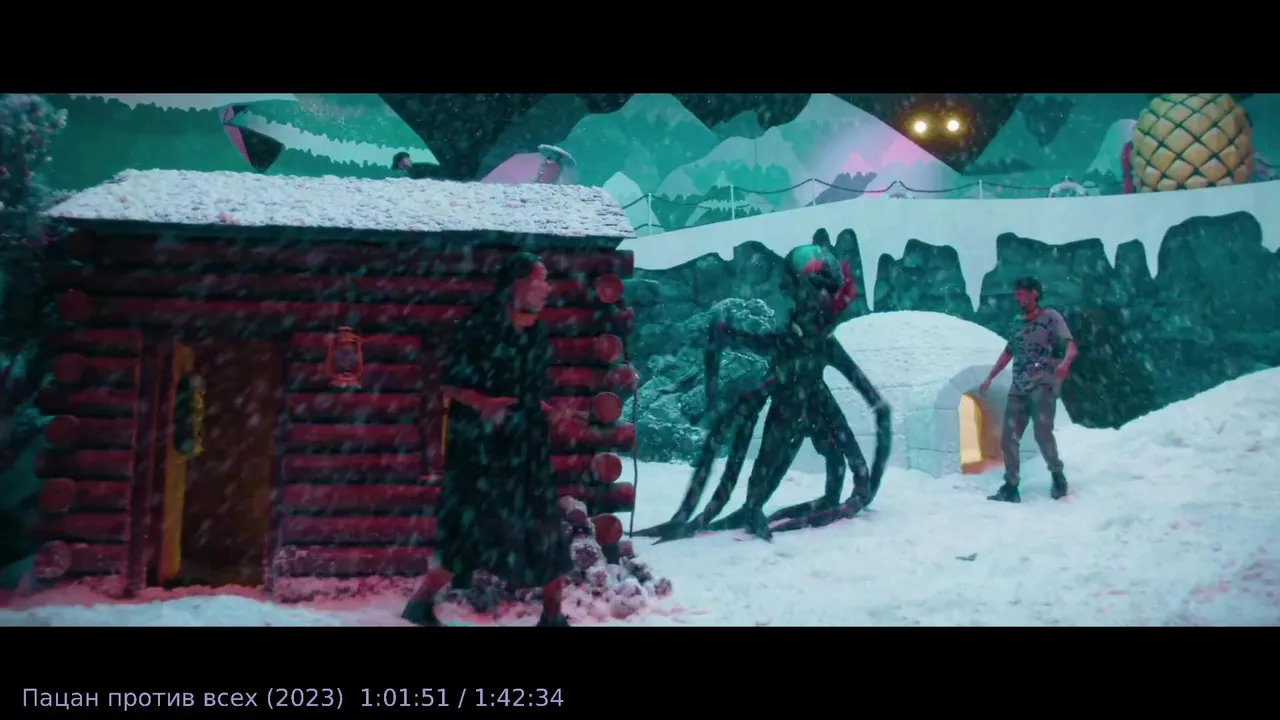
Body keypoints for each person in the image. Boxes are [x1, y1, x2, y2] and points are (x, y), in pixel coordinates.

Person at [401, 252, 580, 627]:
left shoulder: (537, 336)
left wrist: (551, 412)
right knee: (469, 531)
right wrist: (482, 403)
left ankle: (552, 615)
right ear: (518, 284)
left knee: (545, 526)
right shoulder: (480, 327)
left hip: (527, 449)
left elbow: (527, 395)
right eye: (540, 279)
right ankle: (420, 604)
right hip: (482, 450)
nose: (547, 288)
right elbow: (450, 383)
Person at [978, 276, 1078, 503]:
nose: (1018, 298)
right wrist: (991, 377)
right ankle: (1011, 486)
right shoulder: (1017, 322)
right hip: (1019, 386)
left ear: (1034, 294)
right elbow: (1009, 351)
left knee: (1043, 434)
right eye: (1016, 294)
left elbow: (1071, 346)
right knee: (1008, 438)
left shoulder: (1050, 317)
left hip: (1042, 384)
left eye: (1022, 293)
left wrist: (1064, 365)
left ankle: (1057, 475)